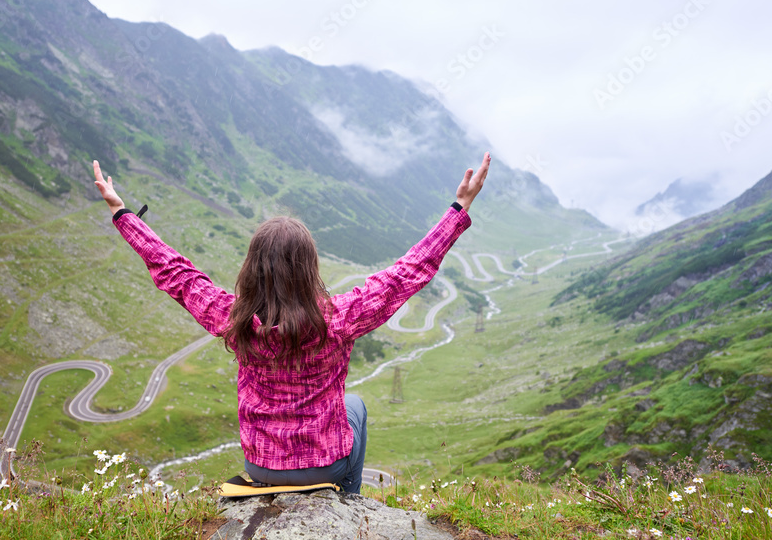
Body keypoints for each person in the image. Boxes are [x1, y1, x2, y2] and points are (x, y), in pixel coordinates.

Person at [92, 153, 490, 493]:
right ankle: (345, 503)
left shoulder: (234, 319)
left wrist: (122, 213)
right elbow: (408, 271)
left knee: (351, 406)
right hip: (325, 464)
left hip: (259, 467)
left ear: (251, 269)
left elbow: (175, 273)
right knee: (357, 407)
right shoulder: (339, 319)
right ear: (309, 268)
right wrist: (458, 210)